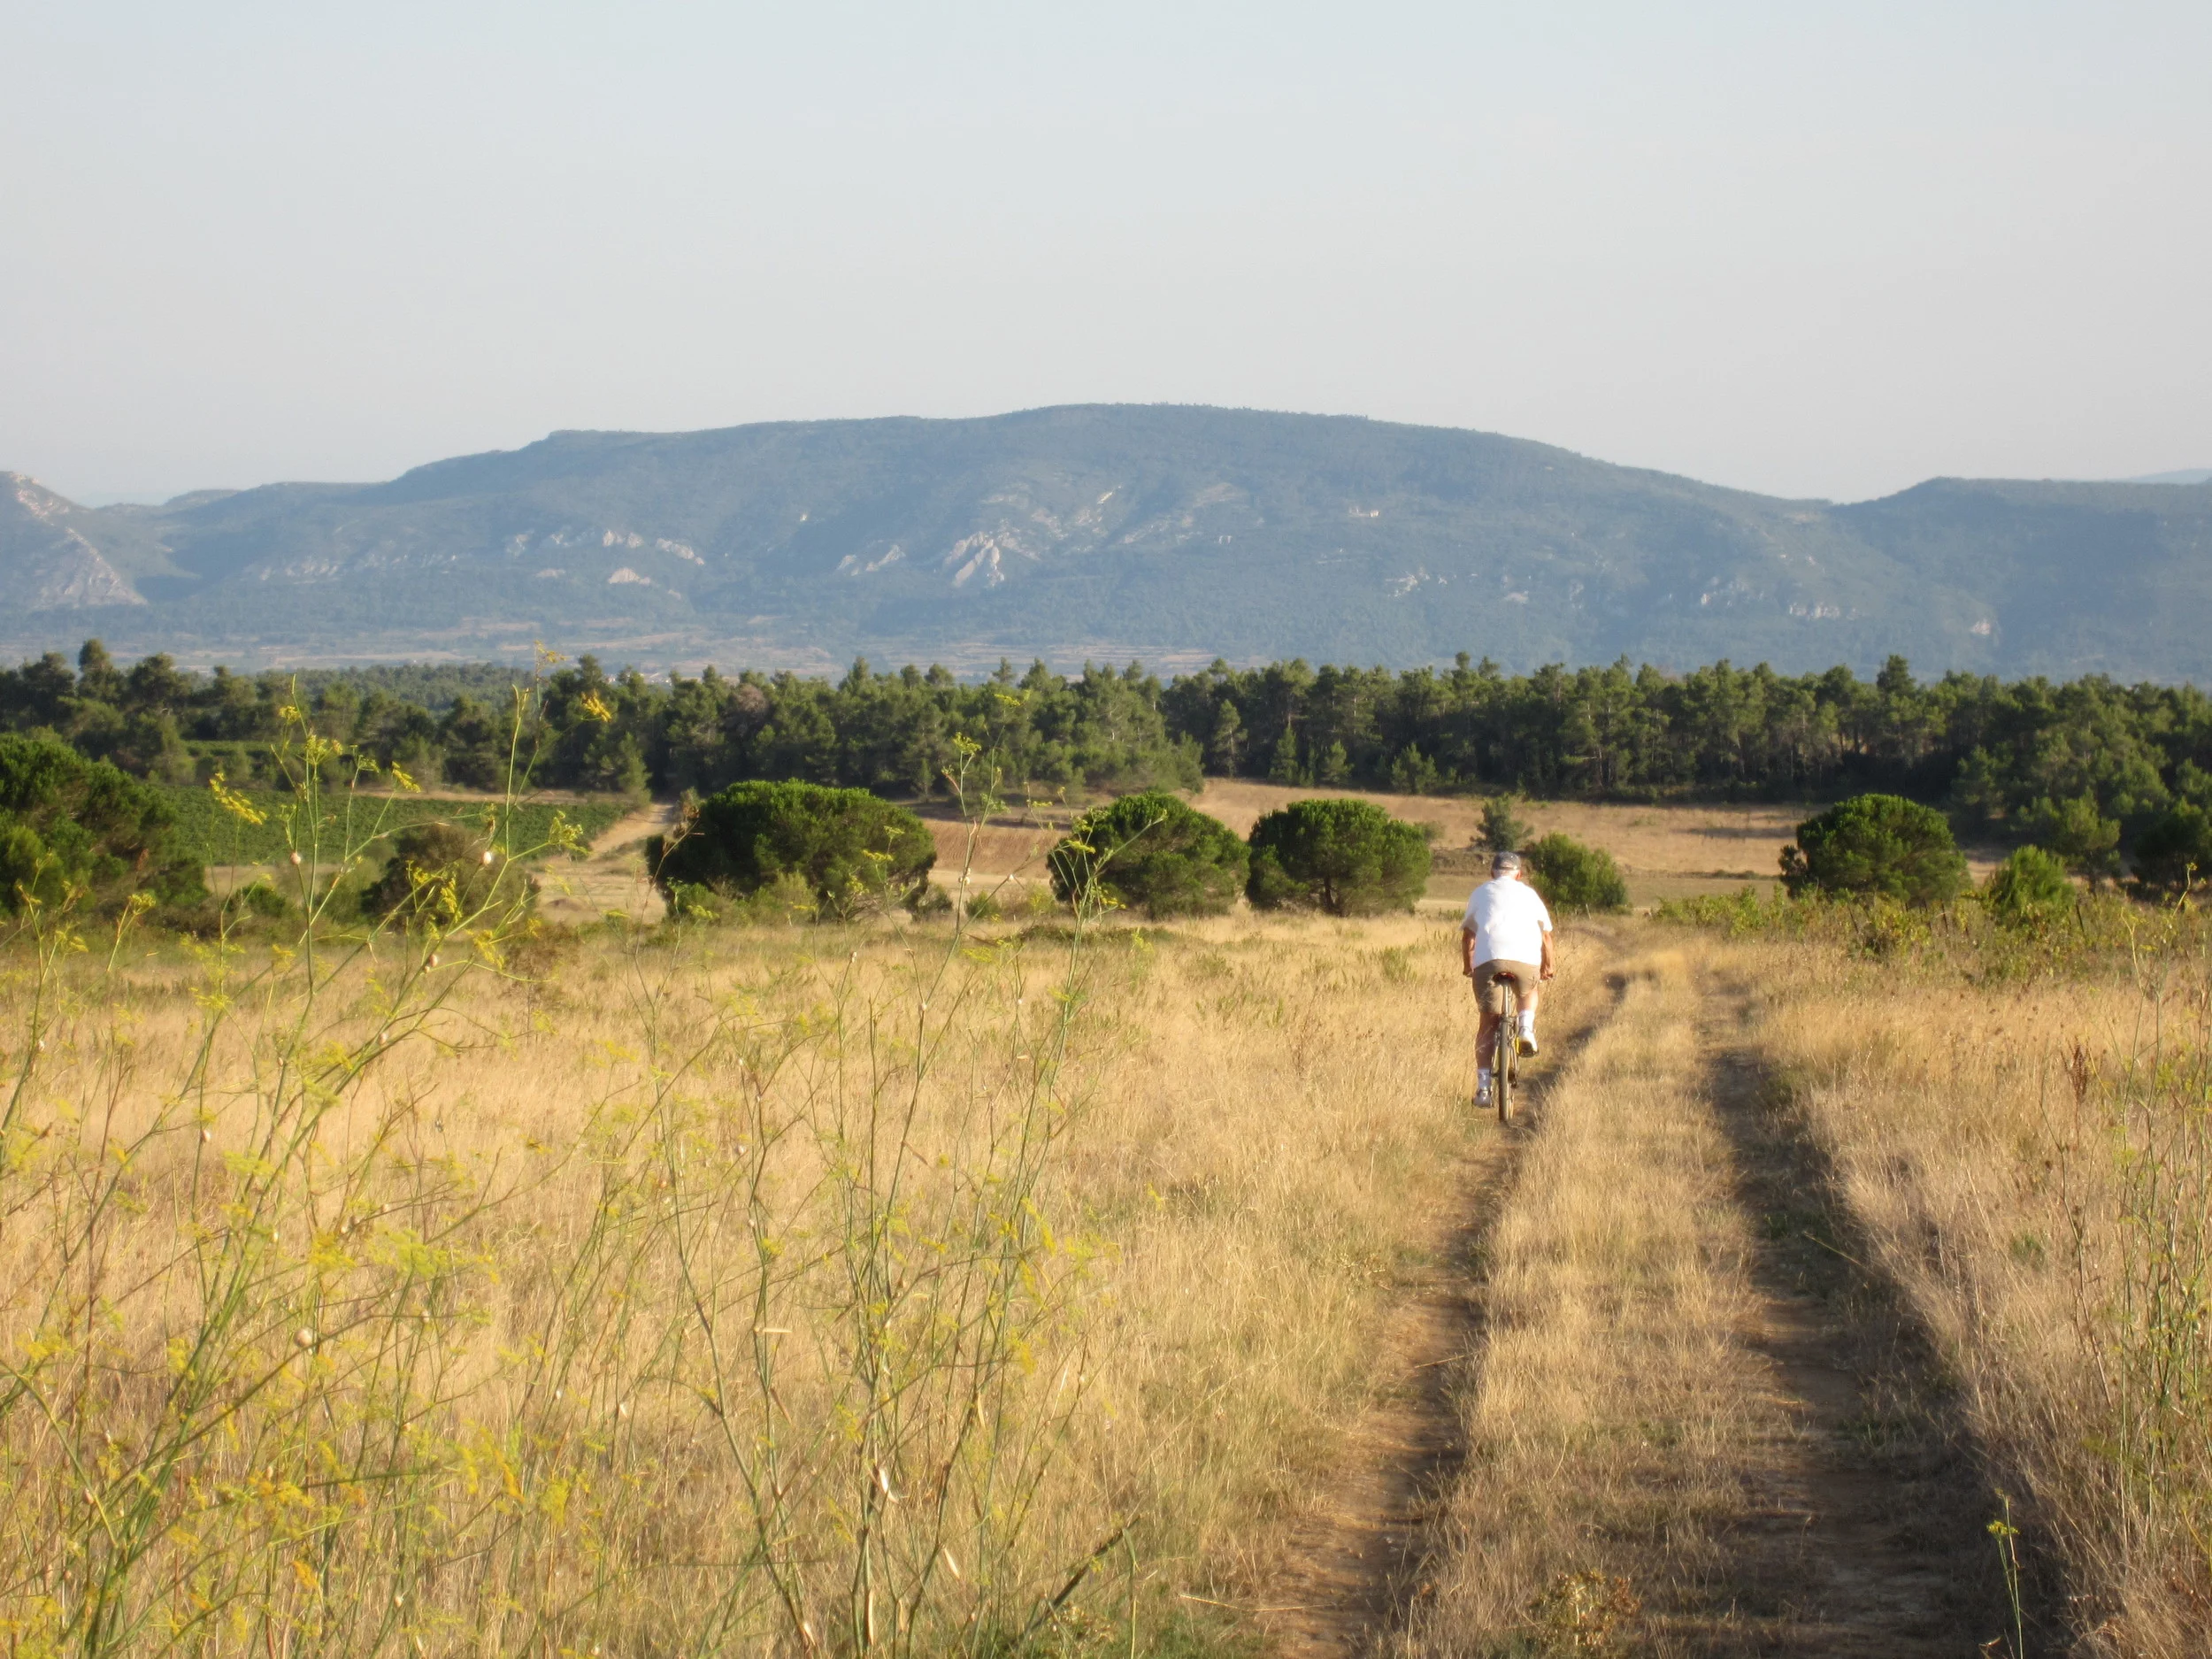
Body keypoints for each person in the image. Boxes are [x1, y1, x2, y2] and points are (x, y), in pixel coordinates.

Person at [1460, 849, 1555, 1106]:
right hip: (1525, 960)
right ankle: (1525, 1028)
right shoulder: (1530, 895)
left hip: (1488, 961)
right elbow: (1546, 936)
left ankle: (1483, 1090)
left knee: (1487, 1025)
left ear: (1492, 873)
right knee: (1529, 990)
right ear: (1519, 874)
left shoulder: (1480, 892)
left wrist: (1468, 966)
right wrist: (1548, 966)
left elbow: (1468, 936)